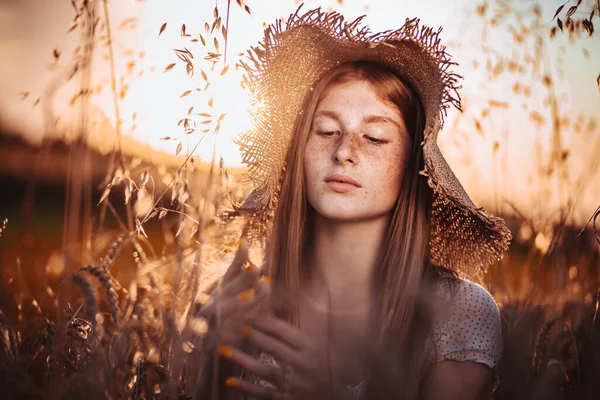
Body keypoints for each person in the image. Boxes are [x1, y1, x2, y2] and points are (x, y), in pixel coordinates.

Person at [198, 5, 513, 400]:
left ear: (413, 167)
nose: (344, 151)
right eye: (326, 130)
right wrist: (212, 364)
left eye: (375, 138)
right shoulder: (242, 303)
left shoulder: (459, 312)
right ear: (299, 154)